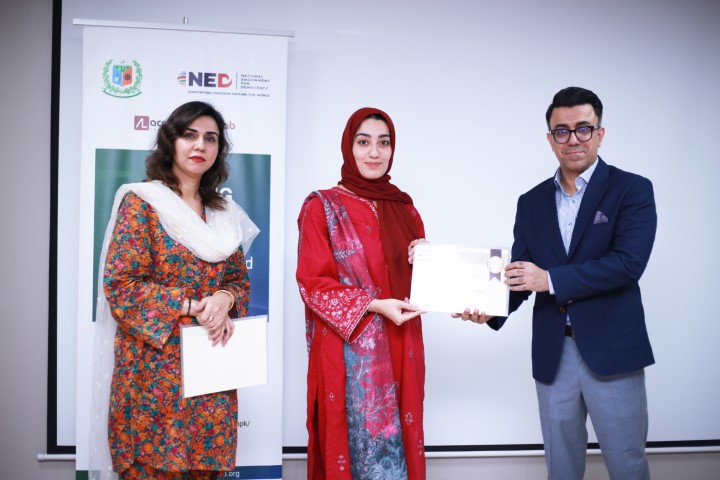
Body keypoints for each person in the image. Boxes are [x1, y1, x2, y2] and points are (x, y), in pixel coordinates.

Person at [458, 87, 657, 479]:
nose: (573, 139)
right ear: (550, 140)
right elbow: (521, 273)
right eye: (562, 131)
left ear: (600, 134)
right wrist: (490, 309)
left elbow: (627, 264)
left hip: (612, 351)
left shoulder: (631, 190)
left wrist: (549, 279)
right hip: (554, 352)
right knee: (561, 468)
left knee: (627, 464)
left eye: (583, 128)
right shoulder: (531, 201)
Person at [89, 101, 259, 479]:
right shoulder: (142, 203)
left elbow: (237, 280)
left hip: (210, 371)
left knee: (204, 466)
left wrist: (224, 298)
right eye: (189, 135)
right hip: (153, 371)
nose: (200, 145)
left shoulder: (223, 213)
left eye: (210, 138)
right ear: (171, 142)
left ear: (219, 149)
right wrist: (190, 305)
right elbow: (121, 285)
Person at [296, 107, 427, 480]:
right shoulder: (322, 206)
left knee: (404, 438)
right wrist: (374, 305)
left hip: (402, 342)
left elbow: (417, 288)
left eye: (383, 143)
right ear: (348, 147)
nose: (374, 152)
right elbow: (312, 283)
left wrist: (426, 260)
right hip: (350, 352)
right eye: (363, 142)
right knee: (354, 448)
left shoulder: (405, 209)